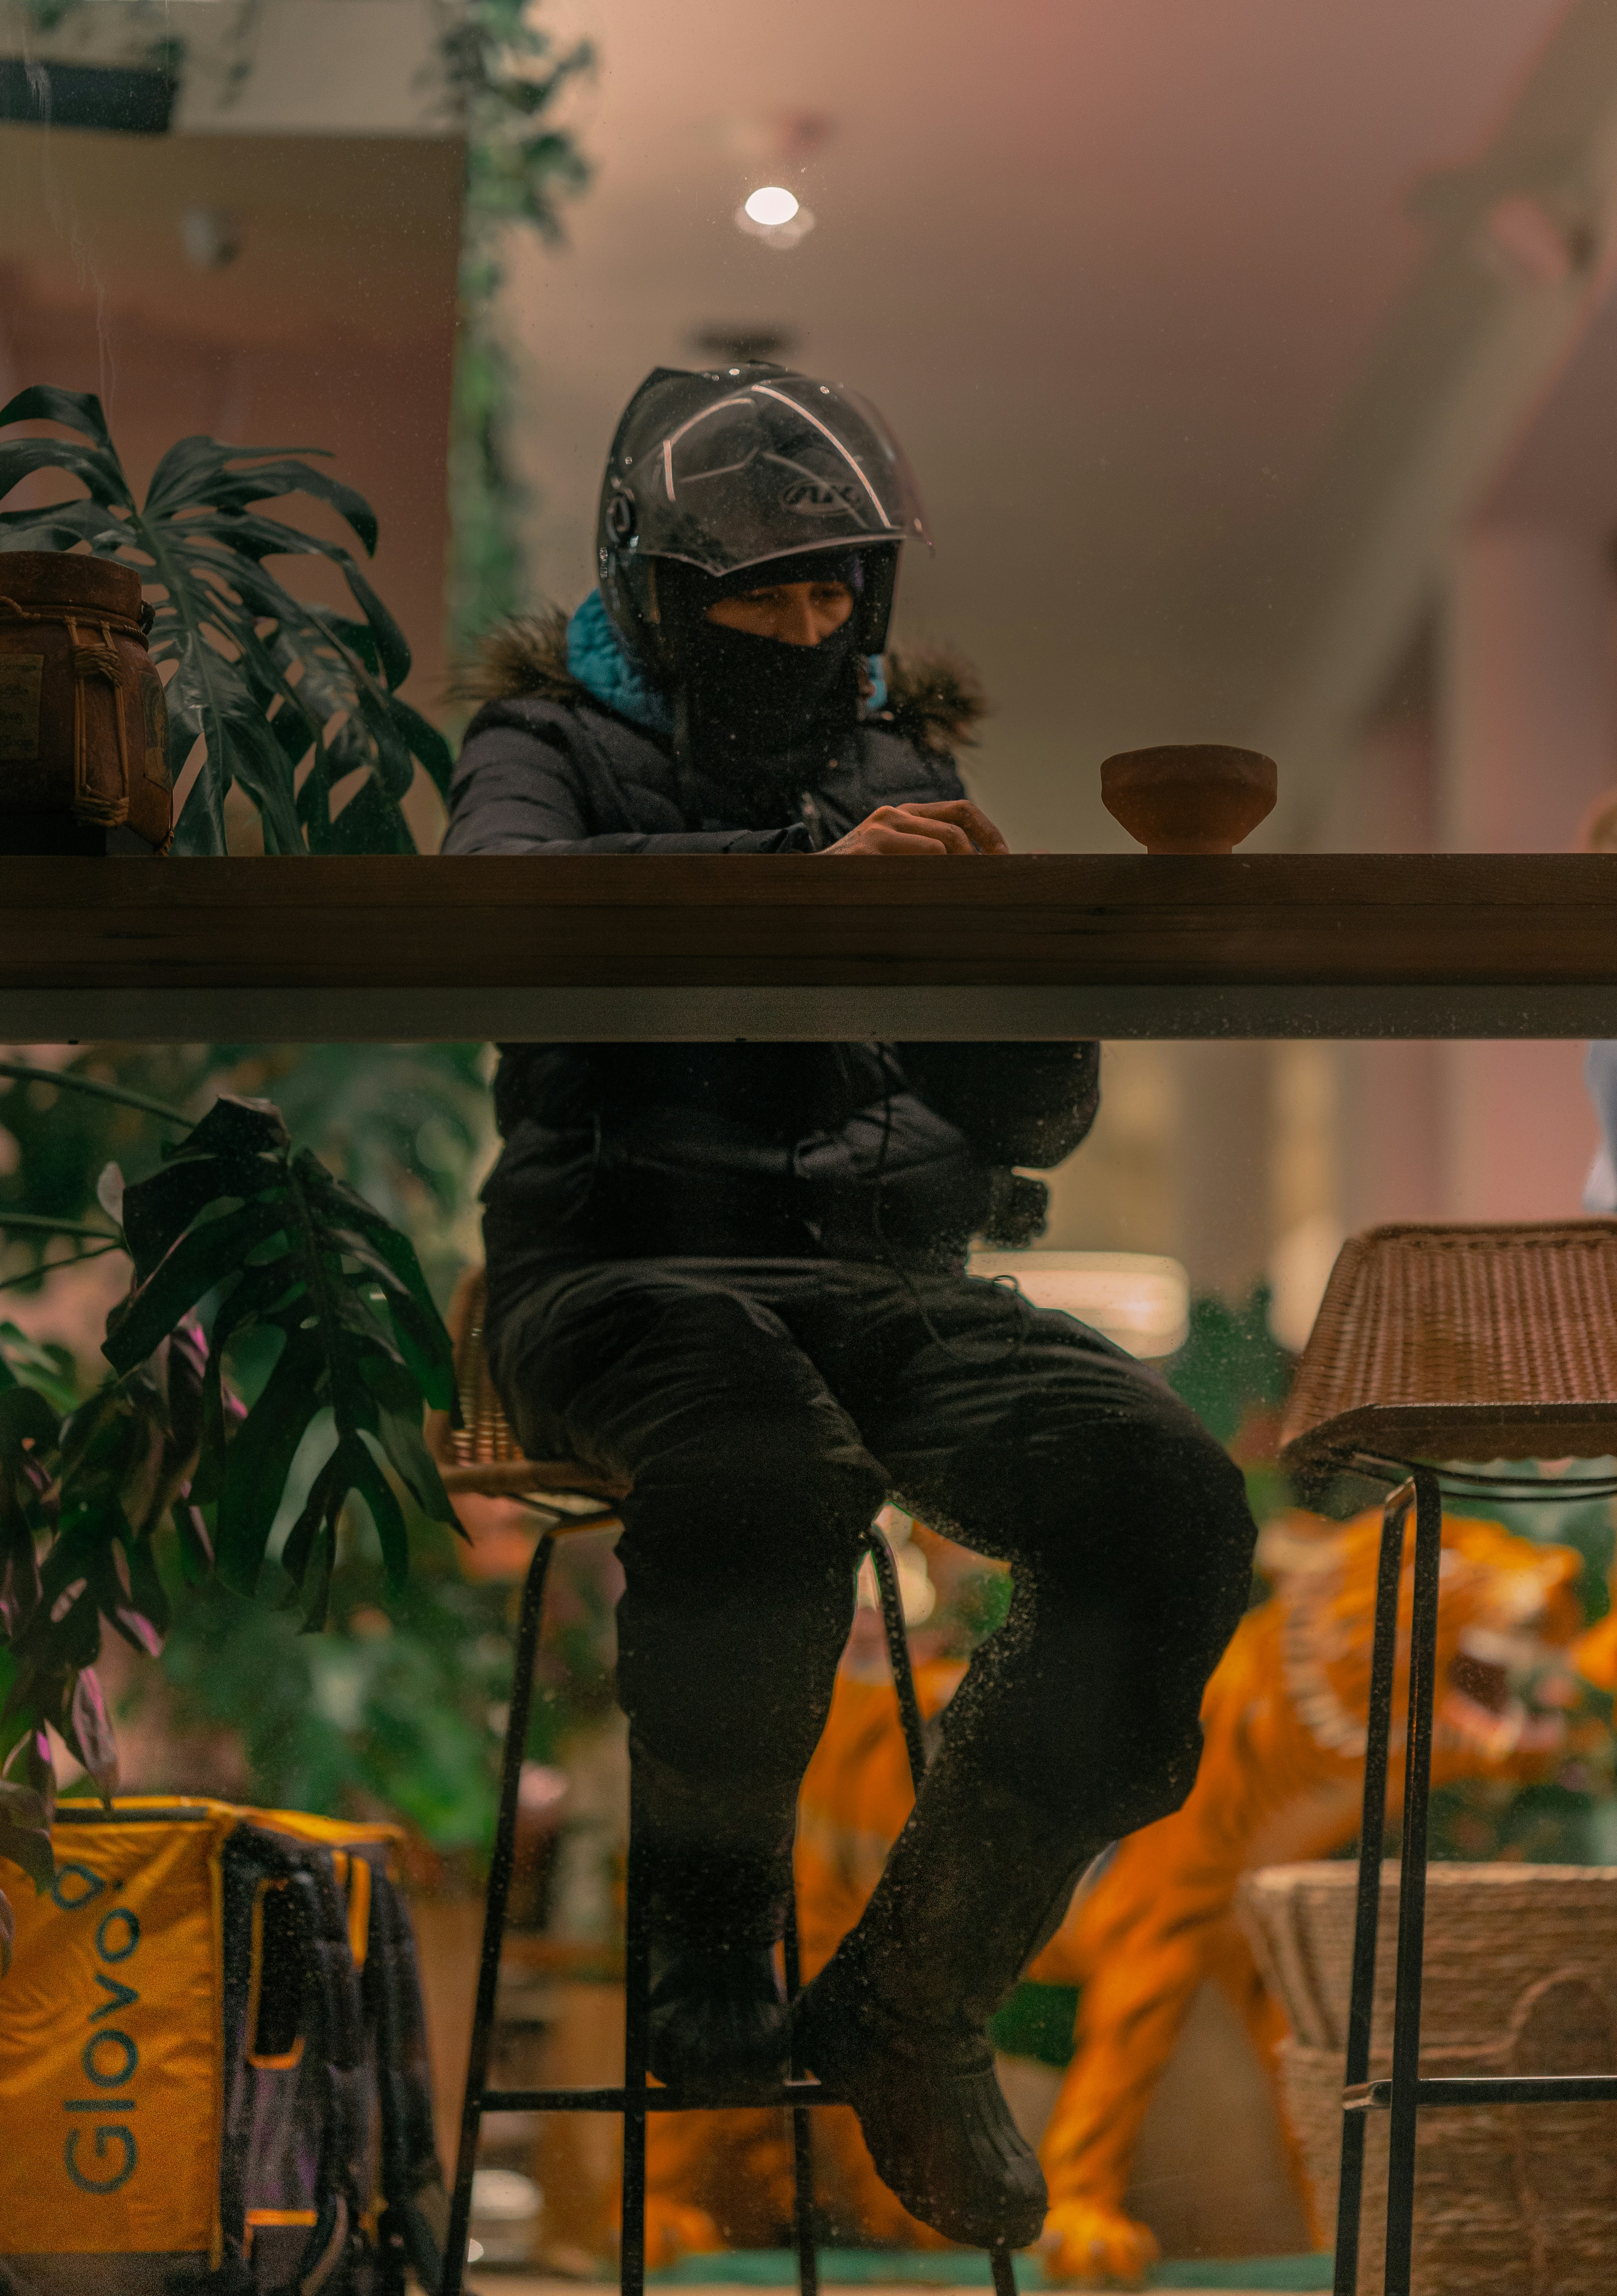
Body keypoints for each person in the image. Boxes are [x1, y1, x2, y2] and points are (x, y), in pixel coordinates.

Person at [443, 363, 1258, 2250]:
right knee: (759, 1461)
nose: (803, 627)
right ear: (657, 591)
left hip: (892, 1285)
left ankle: (917, 1994)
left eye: (833, 592)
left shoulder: (905, 768)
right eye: (760, 592)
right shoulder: (543, 742)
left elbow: (1035, 1114)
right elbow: (498, 909)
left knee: (1167, 1497)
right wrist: (807, 884)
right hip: (614, 1272)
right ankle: (703, 1941)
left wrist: (1008, 972)